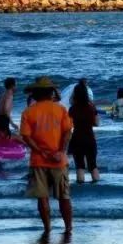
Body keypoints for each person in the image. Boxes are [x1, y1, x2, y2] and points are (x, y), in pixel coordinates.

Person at [19, 77, 74, 233]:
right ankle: (68, 228)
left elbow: (26, 137)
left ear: (35, 94)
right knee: (64, 196)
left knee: (42, 197)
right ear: (51, 92)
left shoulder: (28, 112)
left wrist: (42, 152)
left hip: (38, 160)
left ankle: (48, 228)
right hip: (59, 160)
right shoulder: (61, 109)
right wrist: (61, 152)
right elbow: (67, 132)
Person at [68, 83, 101, 184]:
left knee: (80, 166)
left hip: (77, 138)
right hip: (90, 138)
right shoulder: (91, 108)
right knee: (93, 165)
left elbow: (69, 125)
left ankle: (81, 187)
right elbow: (96, 123)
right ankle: (96, 186)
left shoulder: (72, 109)